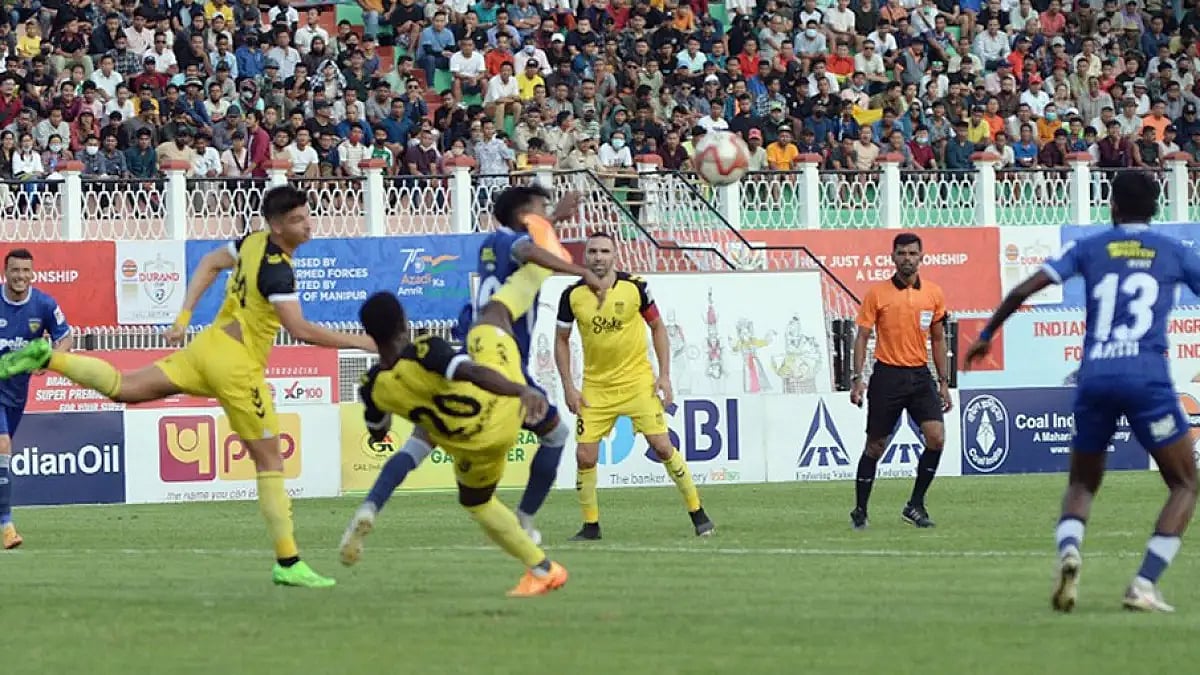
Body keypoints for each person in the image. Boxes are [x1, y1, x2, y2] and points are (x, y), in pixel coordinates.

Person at [0, 186, 374, 587]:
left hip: (205, 348)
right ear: (278, 226)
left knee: (125, 387)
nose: (309, 225)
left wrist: (183, 318)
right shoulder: (279, 270)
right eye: (299, 219)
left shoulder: (251, 242)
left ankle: (49, 358)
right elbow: (299, 330)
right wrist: (365, 342)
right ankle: (288, 561)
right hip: (237, 369)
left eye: (307, 216)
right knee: (270, 462)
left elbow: (211, 263)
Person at [965, 171, 1199, 613]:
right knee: (1185, 483)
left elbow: (1023, 289)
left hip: (1095, 378)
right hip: (1147, 379)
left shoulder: (1090, 248)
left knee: (1082, 482)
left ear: (1113, 206)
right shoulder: (1173, 252)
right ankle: (1144, 583)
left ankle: (1070, 550)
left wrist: (986, 334)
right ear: (1155, 208)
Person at [339, 184, 605, 549]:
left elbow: (535, 243)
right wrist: (581, 271)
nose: (545, 216)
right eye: (540, 208)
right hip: (501, 356)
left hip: (474, 347)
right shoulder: (509, 242)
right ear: (523, 215)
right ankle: (525, 519)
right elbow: (529, 249)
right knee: (555, 434)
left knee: (421, 438)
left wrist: (556, 216)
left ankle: (371, 505)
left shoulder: (492, 244)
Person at [351, 290, 569, 597]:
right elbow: (473, 371)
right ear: (403, 322)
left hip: (470, 446)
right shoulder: (426, 349)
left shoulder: (373, 386)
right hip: (502, 410)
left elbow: (377, 432)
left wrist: (383, 409)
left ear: (369, 334)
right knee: (493, 322)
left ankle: (542, 567)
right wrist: (520, 390)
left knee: (476, 500)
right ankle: (530, 527)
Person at [556, 231, 714, 540]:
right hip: (596, 388)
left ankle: (698, 513)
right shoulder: (572, 295)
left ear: (615, 255)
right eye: (593, 251)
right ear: (585, 256)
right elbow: (561, 339)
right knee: (585, 456)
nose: (598, 257)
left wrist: (664, 375)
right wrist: (568, 387)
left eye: (605, 251)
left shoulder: (636, 287)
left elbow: (657, 327)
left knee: (662, 446)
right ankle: (591, 526)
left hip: (637, 383)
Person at [849, 232, 952, 530]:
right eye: (902, 253)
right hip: (888, 376)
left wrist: (943, 382)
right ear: (893, 257)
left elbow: (937, 339)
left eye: (912, 253)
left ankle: (915, 505)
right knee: (875, 446)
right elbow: (862, 336)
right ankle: (860, 510)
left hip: (920, 376)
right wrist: (857, 378)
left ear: (922, 257)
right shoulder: (877, 293)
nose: (907, 259)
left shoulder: (933, 294)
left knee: (936, 438)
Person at [0, 249, 73, 549]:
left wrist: (51, 359)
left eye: (25, 271)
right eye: (14, 270)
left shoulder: (43, 304)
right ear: (5, 273)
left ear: (32, 273)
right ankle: (6, 525)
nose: (20, 276)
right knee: (3, 444)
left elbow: (65, 337)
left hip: (16, 394)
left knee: (2, 455)